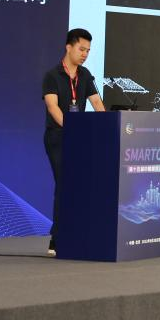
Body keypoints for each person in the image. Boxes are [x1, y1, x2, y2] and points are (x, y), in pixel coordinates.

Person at [42, 28, 105, 256]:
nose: (85, 54)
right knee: (65, 183)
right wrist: (71, 129)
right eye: (81, 49)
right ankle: (57, 238)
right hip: (58, 138)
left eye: (88, 50)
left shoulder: (85, 75)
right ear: (68, 47)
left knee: (81, 185)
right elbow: (53, 107)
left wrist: (107, 126)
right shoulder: (52, 75)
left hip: (80, 139)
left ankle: (79, 233)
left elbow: (96, 102)